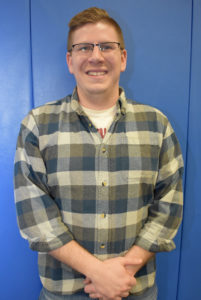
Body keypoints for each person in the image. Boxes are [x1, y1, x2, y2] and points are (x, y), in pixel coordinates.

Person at [14, 7, 184, 300]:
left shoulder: (157, 125)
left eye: (106, 46)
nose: (96, 56)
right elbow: (35, 217)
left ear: (123, 58)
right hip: (63, 293)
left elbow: (169, 207)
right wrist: (99, 272)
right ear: (70, 60)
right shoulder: (38, 126)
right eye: (84, 47)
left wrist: (121, 274)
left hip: (134, 289)